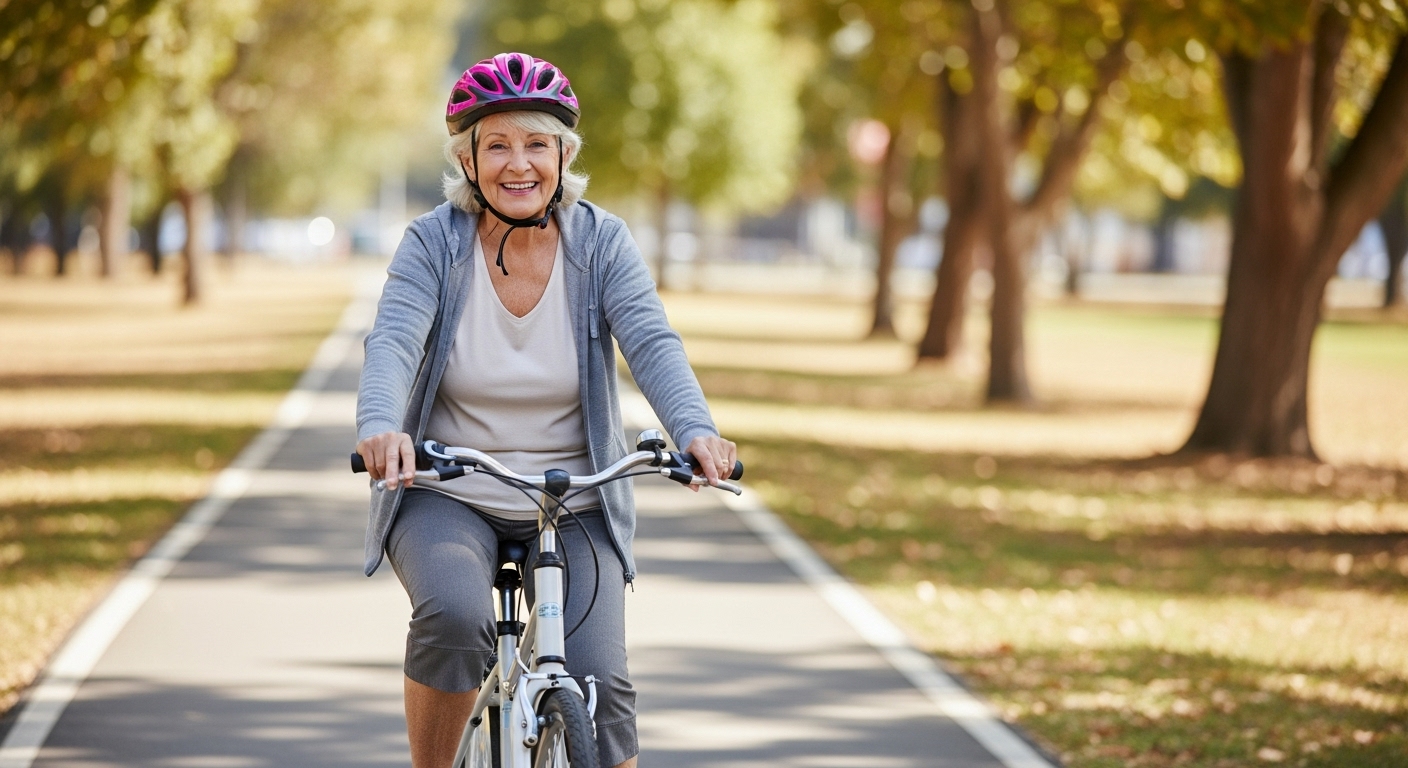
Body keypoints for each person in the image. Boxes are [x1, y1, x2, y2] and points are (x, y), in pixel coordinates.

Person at [354, 52, 736, 768]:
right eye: (496, 144)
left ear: (564, 155)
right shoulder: (433, 244)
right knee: (454, 618)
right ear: (467, 160)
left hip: (577, 497)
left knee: (602, 684)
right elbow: (394, 340)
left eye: (536, 143)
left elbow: (652, 341)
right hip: (448, 488)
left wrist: (696, 429)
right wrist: (380, 426)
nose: (517, 163)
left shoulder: (601, 243)